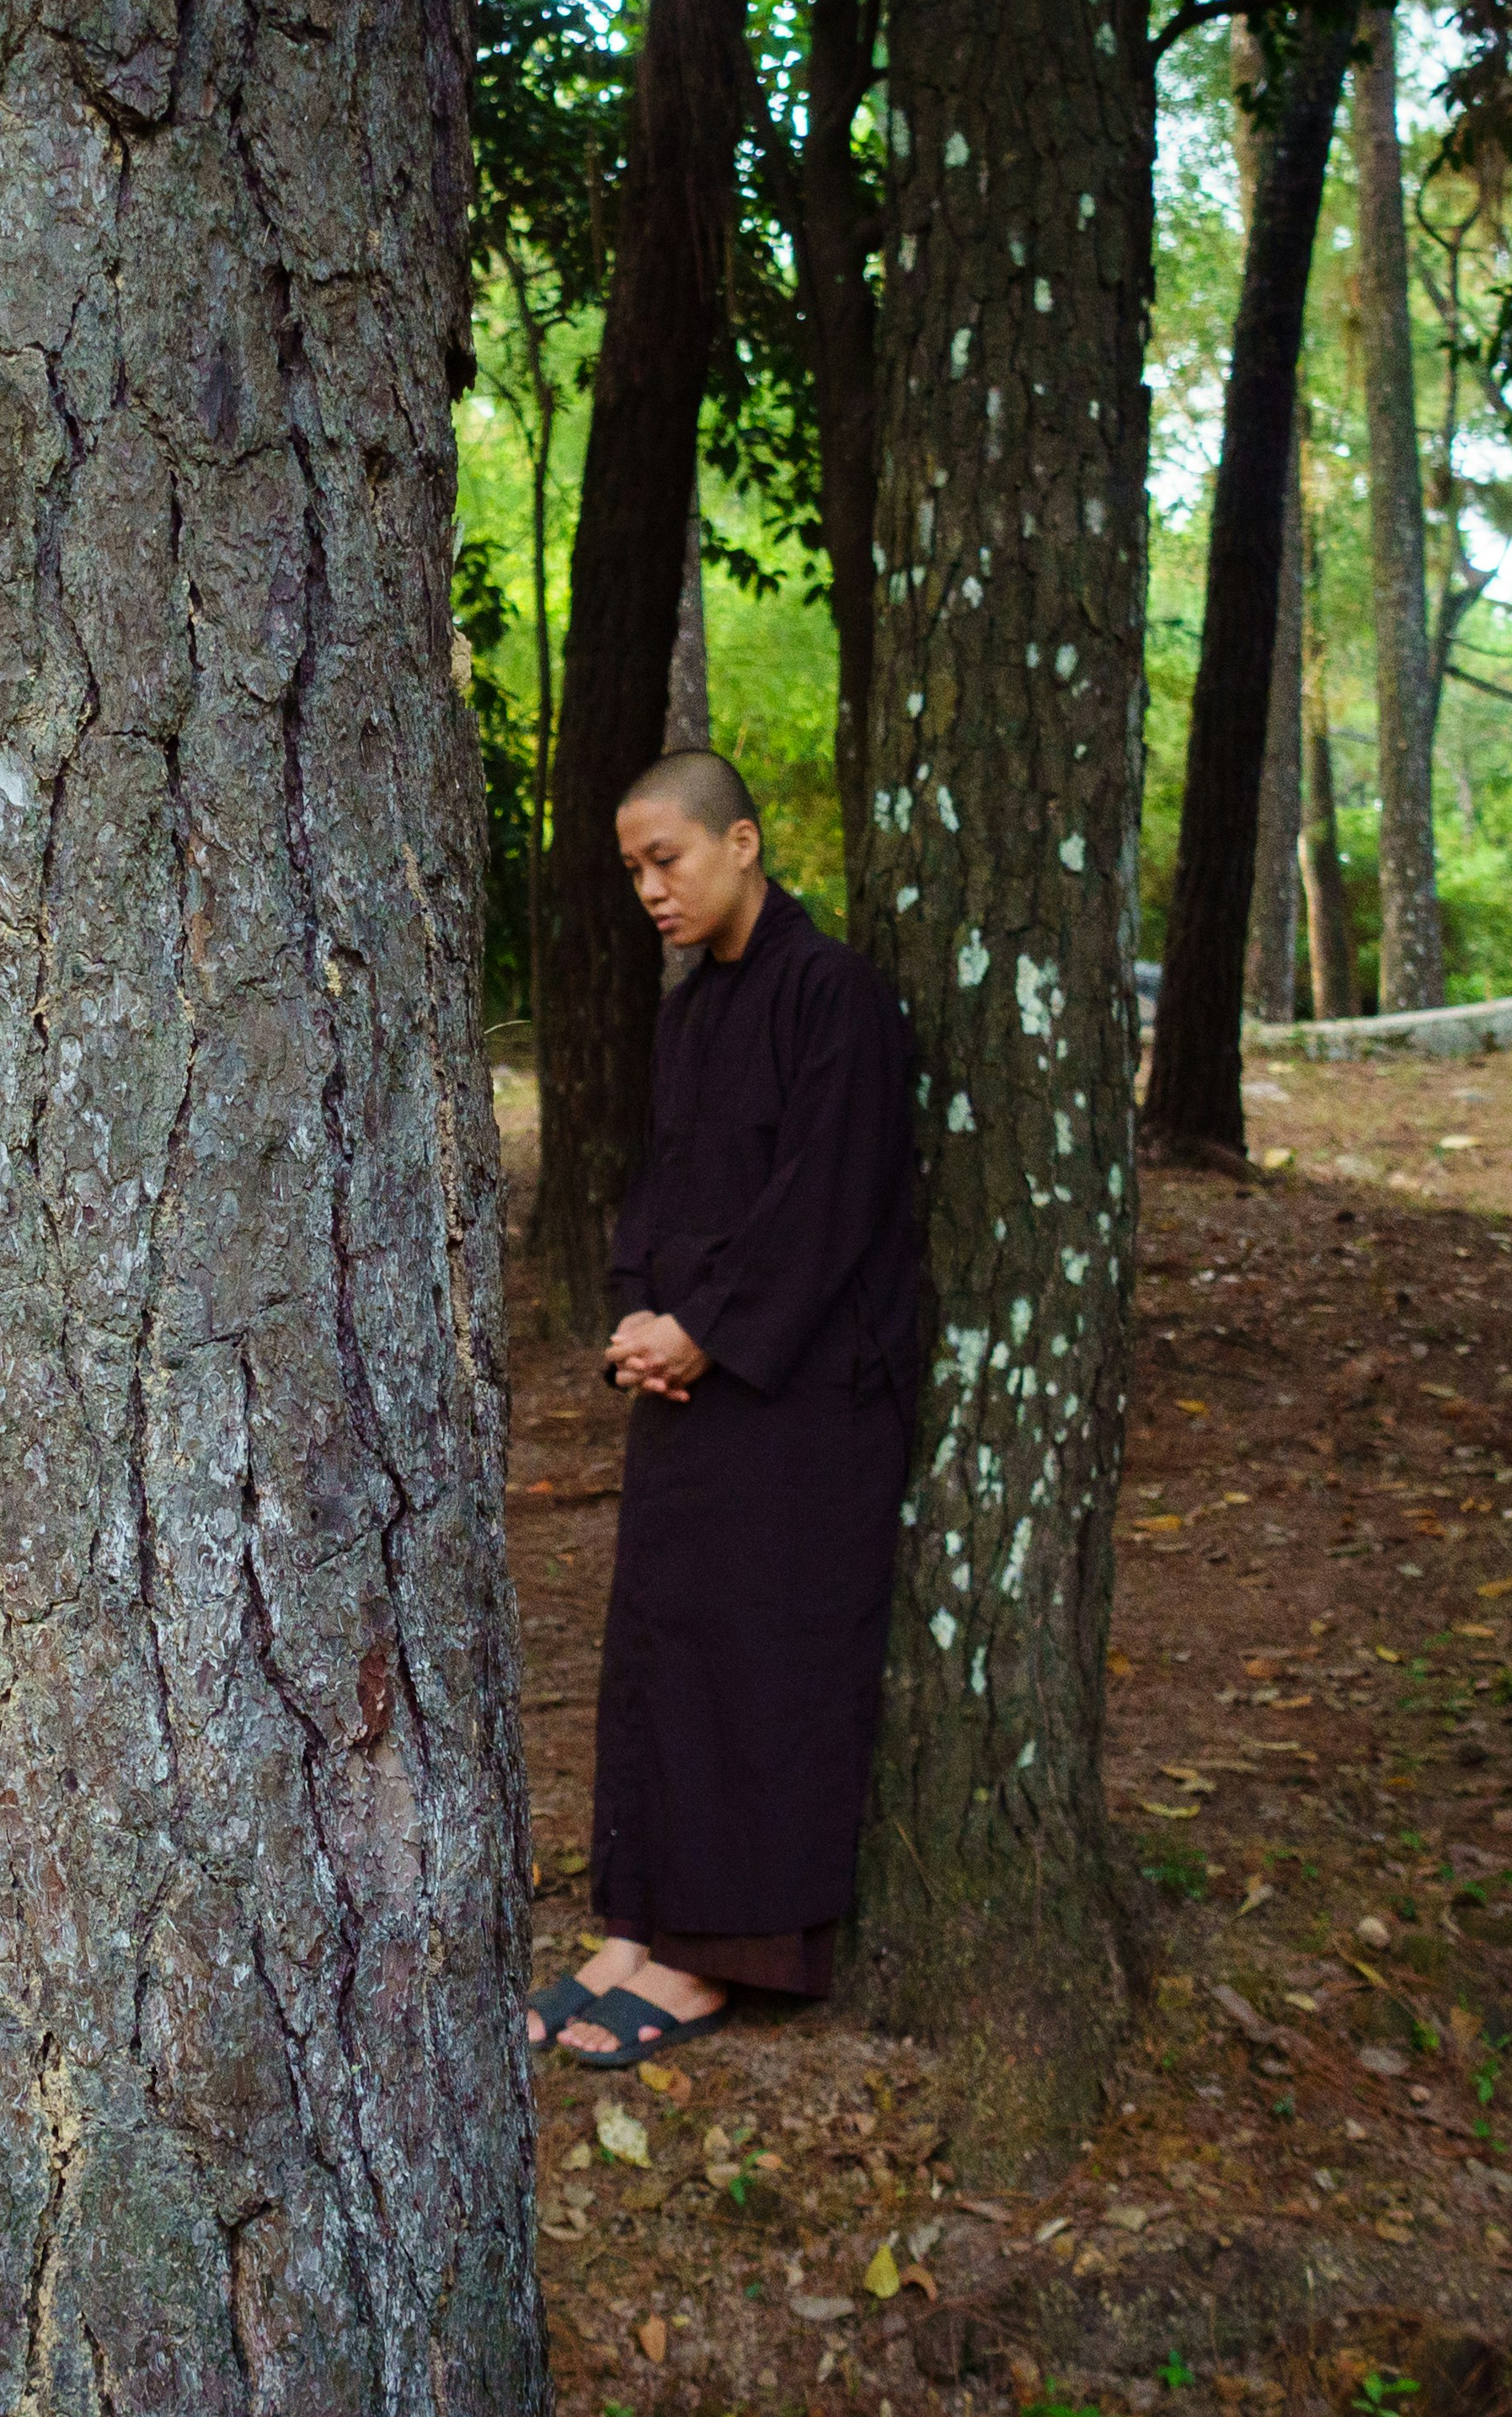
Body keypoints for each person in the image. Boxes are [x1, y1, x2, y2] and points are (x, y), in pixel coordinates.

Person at [524, 751, 920, 2071]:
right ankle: (640, 1922)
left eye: (667, 859)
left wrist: (710, 1332)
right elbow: (661, 1184)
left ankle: (722, 1952)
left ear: (741, 842)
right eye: (632, 869)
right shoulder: (691, 1009)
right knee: (662, 1643)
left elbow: (826, 1197)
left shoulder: (832, 994)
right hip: (693, 1382)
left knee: (760, 1658)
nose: (648, 888)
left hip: (802, 1398)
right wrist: (641, 1315)